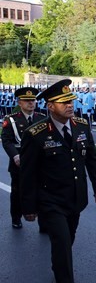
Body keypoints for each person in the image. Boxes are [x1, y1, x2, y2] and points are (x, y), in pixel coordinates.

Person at [19, 79, 96, 283]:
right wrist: (28, 207)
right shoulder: (35, 134)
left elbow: (92, 160)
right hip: (50, 200)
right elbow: (27, 174)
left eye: (71, 101)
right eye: (63, 102)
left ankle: (58, 266)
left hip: (75, 199)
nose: (70, 106)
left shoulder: (81, 126)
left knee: (69, 240)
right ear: (49, 106)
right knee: (62, 245)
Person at [1, 86, 46, 229]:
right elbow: (6, 140)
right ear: (20, 103)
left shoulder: (42, 118)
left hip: (39, 162)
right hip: (19, 162)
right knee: (18, 191)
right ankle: (16, 217)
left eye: (33, 100)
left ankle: (43, 221)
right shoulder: (11, 120)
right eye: (27, 101)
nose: (31, 103)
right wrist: (15, 155)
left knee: (42, 191)